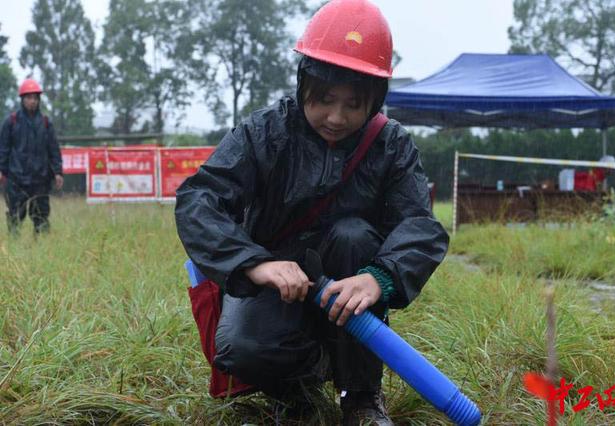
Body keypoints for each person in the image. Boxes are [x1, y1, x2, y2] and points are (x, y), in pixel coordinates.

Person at [175, 0, 449, 424]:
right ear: (304, 83)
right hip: (273, 281)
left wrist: (380, 278)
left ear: (375, 101)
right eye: (324, 99)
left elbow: (421, 227)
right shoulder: (265, 132)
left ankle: (360, 397)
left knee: (354, 235)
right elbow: (199, 200)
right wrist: (255, 263)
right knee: (241, 349)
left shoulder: (390, 145)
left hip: (348, 282)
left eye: (353, 104)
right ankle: (300, 384)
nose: (336, 118)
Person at [0, 78, 63, 235]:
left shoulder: (46, 123)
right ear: (22, 99)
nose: (32, 101)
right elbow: (3, 149)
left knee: (41, 216)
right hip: (16, 178)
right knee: (15, 215)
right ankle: (14, 248)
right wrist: (1, 170)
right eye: (29, 98)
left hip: (40, 178)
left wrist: (58, 172)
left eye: (35, 98)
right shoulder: (11, 121)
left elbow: (54, 149)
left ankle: (41, 248)